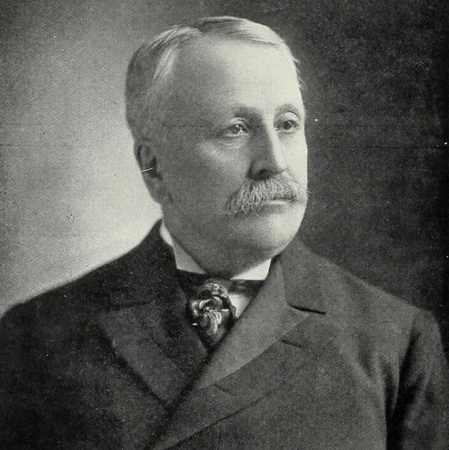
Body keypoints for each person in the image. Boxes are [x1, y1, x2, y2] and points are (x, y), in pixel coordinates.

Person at [0, 16, 447, 450]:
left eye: (287, 125)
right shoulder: (34, 338)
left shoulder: (395, 341)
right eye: (235, 129)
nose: (274, 161)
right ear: (154, 167)